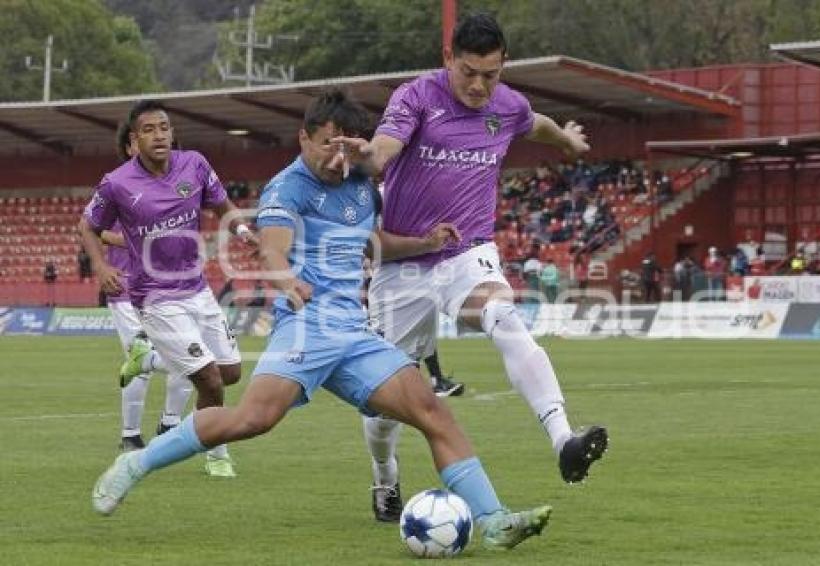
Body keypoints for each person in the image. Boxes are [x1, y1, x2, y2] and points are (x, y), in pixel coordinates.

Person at [91, 91, 552, 551]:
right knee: (253, 419)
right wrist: (287, 279)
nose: (337, 156)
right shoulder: (287, 187)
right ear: (304, 138)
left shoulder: (359, 186)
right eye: (327, 143)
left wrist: (424, 242)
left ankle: (493, 520)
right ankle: (137, 463)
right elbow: (272, 245)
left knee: (433, 413)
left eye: (347, 145)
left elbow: (369, 242)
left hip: (352, 333)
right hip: (306, 326)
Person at [334, 13, 607, 521]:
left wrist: (567, 140)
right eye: (468, 72)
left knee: (504, 318)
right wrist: (366, 156)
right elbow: (385, 151)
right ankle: (385, 478)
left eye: (491, 74)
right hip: (405, 265)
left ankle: (563, 439)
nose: (480, 85)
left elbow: (536, 125)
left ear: (503, 68)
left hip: (467, 252)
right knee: (381, 404)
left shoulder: (508, 105)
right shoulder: (416, 97)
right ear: (447, 61)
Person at [79, 99, 257, 478]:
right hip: (156, 297)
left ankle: (147, 360)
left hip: (197, 287)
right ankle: (216, 451)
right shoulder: (117, 183)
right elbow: (87, 227)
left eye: (164, 127)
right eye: (149, 129)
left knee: (230, 373)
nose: (159, 135)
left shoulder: (194, 164)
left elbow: (223, 205)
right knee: (208, 378)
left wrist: (242, 232)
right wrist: (100, 264)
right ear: (134, 139)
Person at [102, 121, 193, 452]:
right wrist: (137, 240)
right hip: (127, 288)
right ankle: (130, 435)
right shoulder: (116, 185)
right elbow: (95, 230)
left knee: (190, 357)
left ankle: (169, 424)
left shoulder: (176, 184)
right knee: (140, 363)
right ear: (130, 146)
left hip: (171, 289)